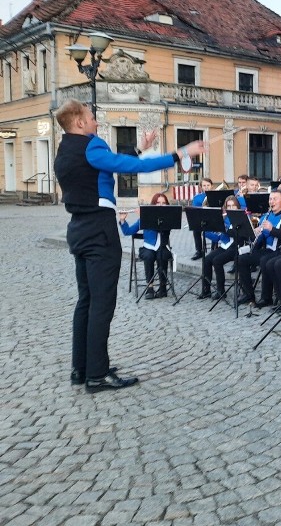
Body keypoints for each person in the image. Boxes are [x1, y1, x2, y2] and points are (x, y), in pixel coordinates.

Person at [54, 99, 204, 392]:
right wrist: (181, 153)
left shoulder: (65, 149)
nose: (96, 121)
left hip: (79, 229)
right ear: (80, 122)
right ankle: (97, 375)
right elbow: (131, 167)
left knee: (86, 301)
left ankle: (81, 368)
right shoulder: (92, 145)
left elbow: (107, 165)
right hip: (99, 229)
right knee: (101, 304)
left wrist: (139, 147)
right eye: (91, 117)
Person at [236, 190, 281, 305]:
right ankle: (248, 294)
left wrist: (272, 229)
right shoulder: (266, 215)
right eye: (270, 199)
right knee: (242, 259)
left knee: (265, 261)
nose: (272, 202)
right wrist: (256, 234)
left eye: (275, 199)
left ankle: (266, 297)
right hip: (268, 250)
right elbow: (261, 240)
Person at [119, 192, 174, 300]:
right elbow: (128, 231)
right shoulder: (143, 219)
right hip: (148, 248)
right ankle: (150, 287)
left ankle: (163, 288)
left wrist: (146, 216)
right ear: (153, 204)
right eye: (158, 203)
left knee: (161, 256)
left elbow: (160, 228)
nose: (161, 205)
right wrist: (122, 219)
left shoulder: (169, 218)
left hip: (162, 247)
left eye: (163, 203)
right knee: (149, 256)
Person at [198, 195, 244, 300]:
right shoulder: (225, 218)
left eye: (233, 206)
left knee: (217, 260)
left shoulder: (241, 218)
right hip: (225, 246)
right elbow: (217, 239)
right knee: (207, 260)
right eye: (228, 206)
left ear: (237, 207)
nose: (231, 208)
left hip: (236, 247)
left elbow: (239, 236)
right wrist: (205, 230)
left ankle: (221, 290)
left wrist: (224, 227)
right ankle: (206, 289)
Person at [189, 177, 214, 260]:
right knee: (195, 229)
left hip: (213, 219)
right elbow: (195, 210)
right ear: (201, 187)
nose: (206, 187)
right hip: (202, 219)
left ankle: (214, 249)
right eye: (204, 185)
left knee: (218, 227)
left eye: (208, 185)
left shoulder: (216, 196)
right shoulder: (197, 197)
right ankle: (199, 251)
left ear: (212, 186)